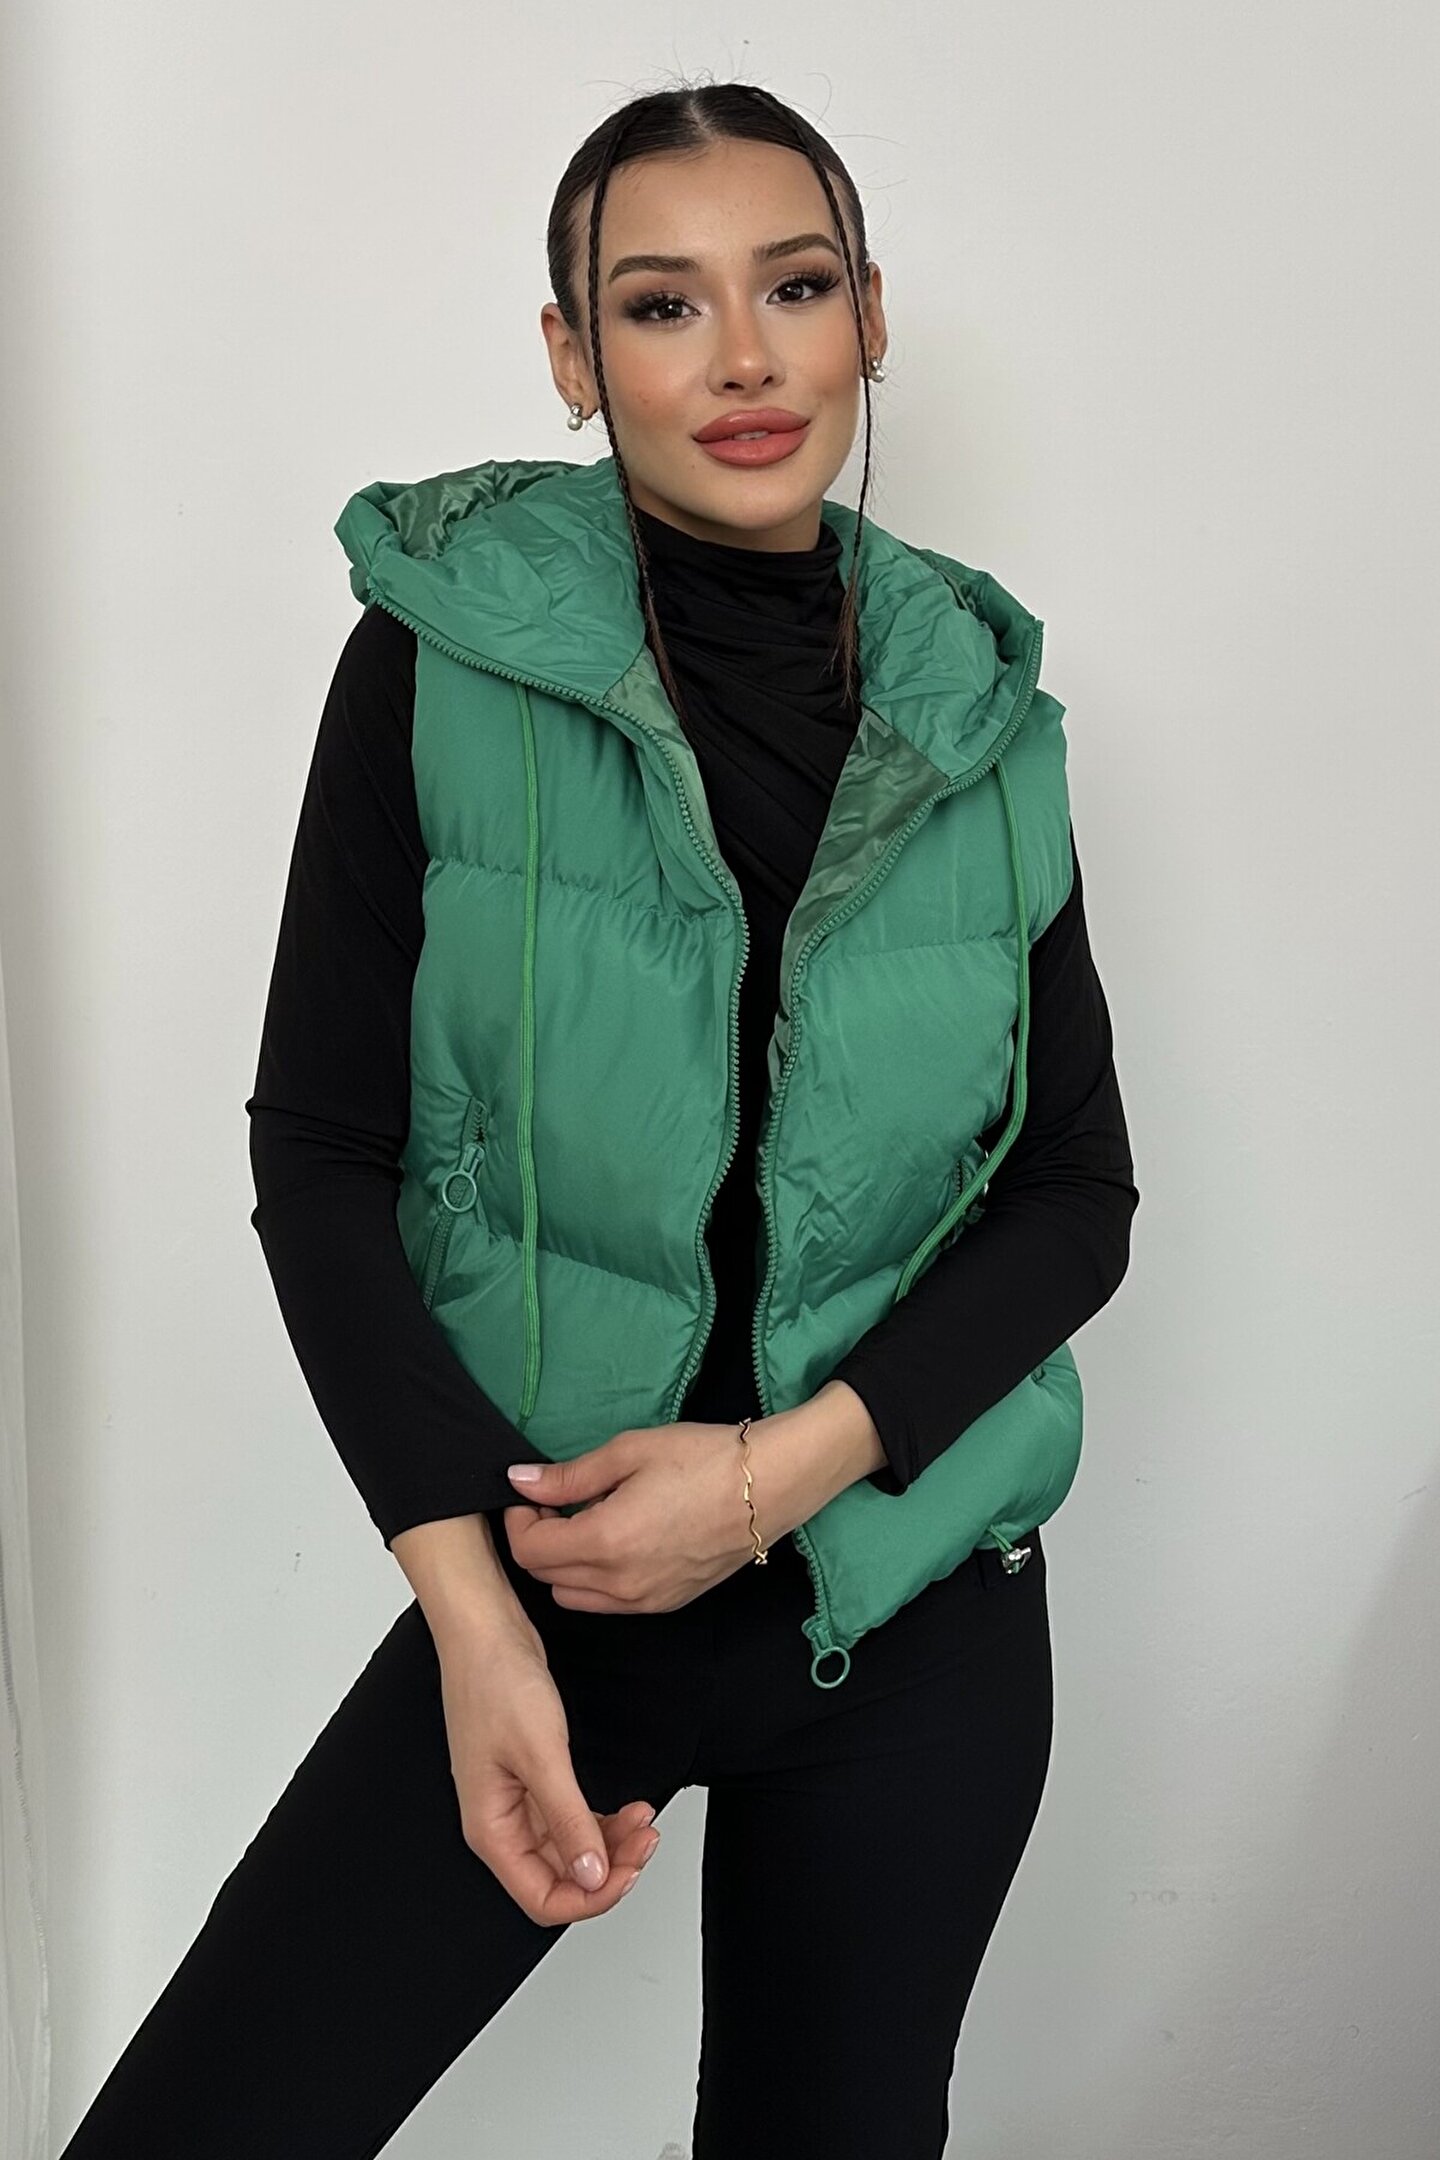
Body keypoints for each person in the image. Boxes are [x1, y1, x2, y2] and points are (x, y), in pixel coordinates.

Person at [60, 80, 1138, 2160]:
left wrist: (771, 1478)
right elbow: (322, 1156)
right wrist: (475, 1617)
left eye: (793, 288)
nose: (742, 358)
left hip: (913, 1606)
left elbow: (1074, 1192)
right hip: (556, 1591)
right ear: (572, 354)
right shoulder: (438, 668)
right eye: (661, 304)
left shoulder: (981, 714)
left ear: (870, 318)